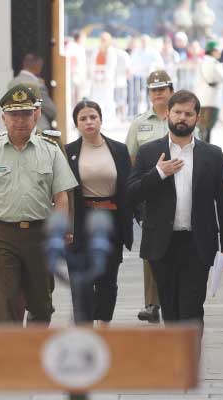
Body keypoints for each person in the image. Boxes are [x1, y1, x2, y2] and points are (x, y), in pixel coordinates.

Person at [0, 84, 77, 325]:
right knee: (7, 300)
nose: (20, 121)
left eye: (26, 114)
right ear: (3, 118)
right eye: (14, 115)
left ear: (35, 115)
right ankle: (11, 357)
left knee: (41, 304)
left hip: (41, 235)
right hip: (3, 236)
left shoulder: (50, 151)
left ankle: (34, 353)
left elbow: (61, 197)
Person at [127, 90, 223, 326]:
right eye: (177, 112)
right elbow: (131, 193)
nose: (182, 118)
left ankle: (189, 363)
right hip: (162, 244)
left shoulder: (212, 155)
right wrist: (158, 173)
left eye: (188, 114)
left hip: (197, 244)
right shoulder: (149, 152)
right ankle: (176, 362)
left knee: (191, 311)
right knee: (171, 312)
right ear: (167, 114)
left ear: (197, 118)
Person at [65, 100, 133, 324]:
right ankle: (84, 328)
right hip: (81, 221)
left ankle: (104, 324)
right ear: (76, 123)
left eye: (93, 117)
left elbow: (128, 187)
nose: (89, 122)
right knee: (80, 281)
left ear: (101, 119)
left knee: (107, 279)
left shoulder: (119, 150)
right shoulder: (69, 152)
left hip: (110, 220)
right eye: (83, 118)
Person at [125, 70, 175, 323]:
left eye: (162, 89)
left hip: (178, 191)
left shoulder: (180, 118)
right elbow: (131, 159)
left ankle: (173, 298)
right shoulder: (139, 123)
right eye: (153, 90)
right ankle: (152, 303)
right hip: (150, 192)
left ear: (171, 91)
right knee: (151, 249)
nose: (157, 94)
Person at [8, 53, 57, 130]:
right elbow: (51, 110)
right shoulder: (37, 84)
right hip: (38, 128)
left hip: (17, 128)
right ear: (38, 65)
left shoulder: (12, 83)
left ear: (24, 64)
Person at [194, 41, 223, 143]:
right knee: (207, 129)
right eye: (218, 51)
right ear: (213, 51)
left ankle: (201, 151)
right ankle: (205, 152)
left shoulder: (201, 63)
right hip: (211, 101)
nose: (220, 53)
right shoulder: (215, 64)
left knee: (201, 129)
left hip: (200, 100)